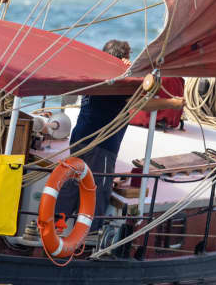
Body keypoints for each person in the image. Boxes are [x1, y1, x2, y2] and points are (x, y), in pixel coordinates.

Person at [58, 39, 184, 227]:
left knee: (73, 182)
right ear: (122, 59)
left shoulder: (96, 74)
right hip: (101, 145)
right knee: (98, 187)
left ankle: (55, 222)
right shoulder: (119, 81)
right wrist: (172, 103)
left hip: (80, 137)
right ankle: (91, 234)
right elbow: (143, 104)